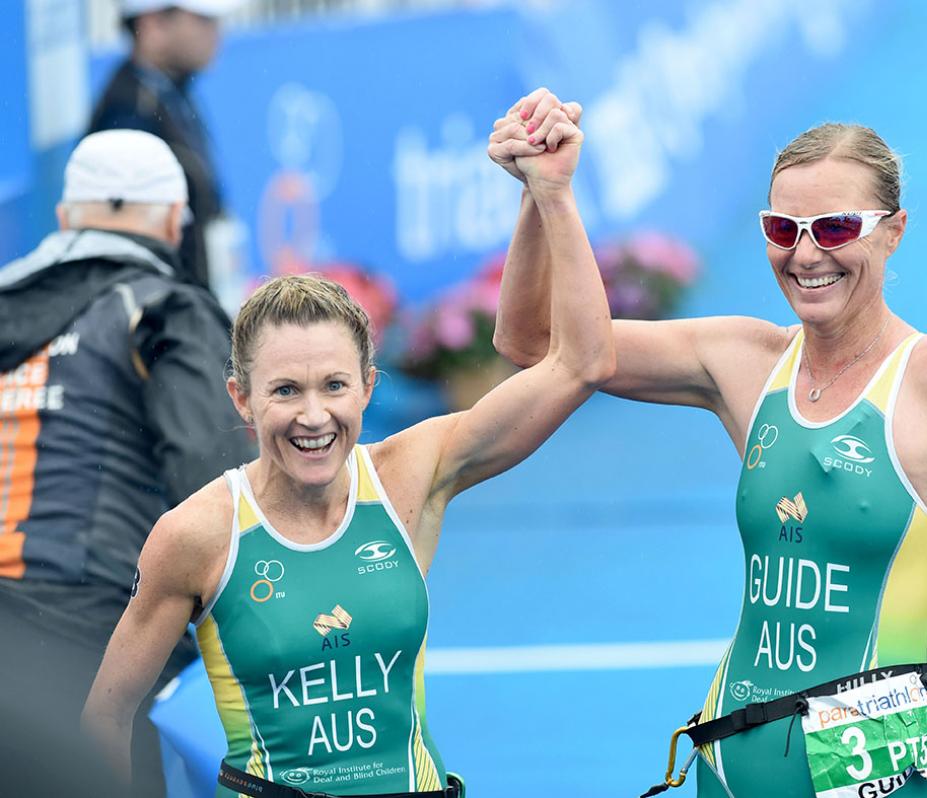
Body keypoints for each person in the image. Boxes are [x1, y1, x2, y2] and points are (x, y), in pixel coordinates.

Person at [489, 89, 927, 797]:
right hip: (730, 759)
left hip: (875, 763)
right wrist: (544, 193)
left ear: (893, 232)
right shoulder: (745, 361)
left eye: (833, 229)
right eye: (781, 228)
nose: (804, 255)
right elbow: (533, 344)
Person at [83, 106, 612, 796]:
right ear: (240, 399)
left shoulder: (408, 478)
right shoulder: (198, 535)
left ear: (368, 387)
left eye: (334, 386)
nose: (313, 416)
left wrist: (549, 194)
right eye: (285, 391)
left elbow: (580, 364)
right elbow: (103, 719)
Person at [0, 128, 256, 797]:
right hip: (92, 636)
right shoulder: (162, 307)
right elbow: (218, 481)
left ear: (62, 219)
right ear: (176, 222)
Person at [89, 0, 244, 289]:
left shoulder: (169, 91)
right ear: (152, 25)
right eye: (203, 20)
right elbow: (129, 246)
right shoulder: (129, 112)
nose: (217, 32)